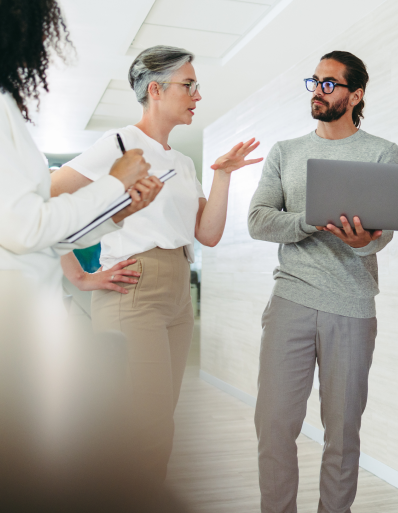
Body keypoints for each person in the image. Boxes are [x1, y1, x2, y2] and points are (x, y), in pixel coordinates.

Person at [50, 45, 262, 482]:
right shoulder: (119, 144)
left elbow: (208, 234)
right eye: (189, 85)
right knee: (144, 430)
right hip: (134, 288)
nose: (197, 95)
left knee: (157, 424)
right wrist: (80, 277)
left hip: (178, 294)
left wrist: (222, 175)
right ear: (156, 90)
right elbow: (47, 200)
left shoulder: (183, 163)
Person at [0, 0, 160, 293]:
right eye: (31, 18)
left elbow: (39, 237)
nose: (41, 34)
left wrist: (116, 211)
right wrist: (114, 182)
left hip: (10, 302)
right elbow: (26, 230)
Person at [248, 50, 398, 513]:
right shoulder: (286, 152)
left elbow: (384, 237)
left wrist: (359, 241)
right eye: (314, 81)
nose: (318, 90)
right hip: (290, 298)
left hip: (352, 307)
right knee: (273, 425)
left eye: (330, 83)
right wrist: (309, 221)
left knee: (342, 432)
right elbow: (258, 220)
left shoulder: (382, 152)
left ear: (356, 95)